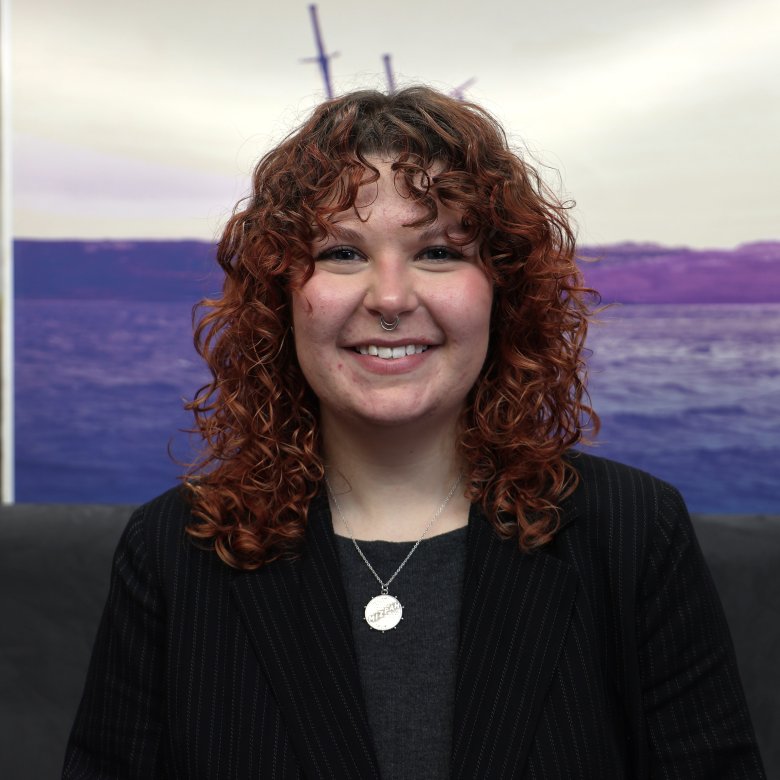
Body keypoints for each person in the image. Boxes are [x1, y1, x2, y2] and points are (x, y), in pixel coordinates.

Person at [64, 87, 764, 778]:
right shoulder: (174, 551)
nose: (391, 298)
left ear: (502, 291)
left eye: (437, 252)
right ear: (281, 298)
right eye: (342, 253)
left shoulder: (635, 532)